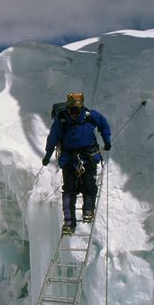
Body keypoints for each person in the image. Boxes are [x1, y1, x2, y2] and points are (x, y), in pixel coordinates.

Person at [42, 92, 111, 235]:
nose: (74, 114)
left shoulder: (90, 116)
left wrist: (107, 141)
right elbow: (52, 139)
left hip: (88, 156)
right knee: (69, 190)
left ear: (82, 108)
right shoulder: (62, 121)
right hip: (69, 158)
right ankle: (69, 222)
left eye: (76, 110)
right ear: (67, 108)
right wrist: (47, 156)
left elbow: (103, 125)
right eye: (71, 110)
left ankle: (88, 210)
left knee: (89, 185)